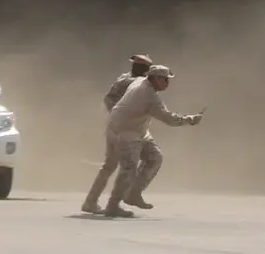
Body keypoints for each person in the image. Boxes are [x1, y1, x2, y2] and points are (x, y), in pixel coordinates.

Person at [102, 64, 202, 218]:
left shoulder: (140, 82)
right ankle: (112, 205)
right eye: (165, 80)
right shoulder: (148, 96)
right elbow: (168, 119)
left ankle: (133, 194)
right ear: (155, 78)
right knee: (129, 167)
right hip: (124, 130)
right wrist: (190, 119)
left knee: (155, 157)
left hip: (135, 129)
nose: (167, 83)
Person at [81, 55, 156, 214]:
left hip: (117, 128)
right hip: (126, 131)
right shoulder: (137, 83)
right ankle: (118, 201)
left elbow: (108, 99)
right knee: (131, 165)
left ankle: (91, 201)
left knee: (109, 166)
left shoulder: (123, 79)